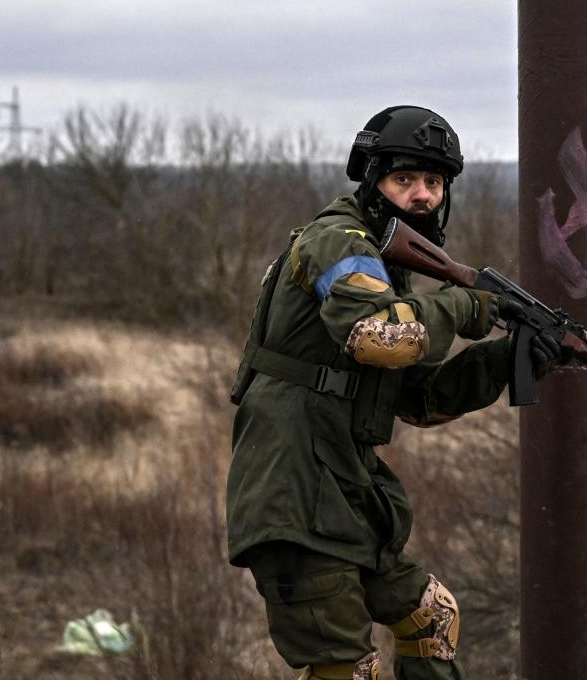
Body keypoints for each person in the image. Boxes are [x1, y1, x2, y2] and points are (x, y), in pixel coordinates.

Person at [226, 105, 564, 680]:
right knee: (346, 667)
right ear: (372, 181)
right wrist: (468, 306)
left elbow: (418, 398)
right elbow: (379, 337)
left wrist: (508, 358)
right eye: (404, 180)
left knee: (432, 619)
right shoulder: (338, 241)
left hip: (344, 491)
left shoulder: (387, 270)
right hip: (293, 495)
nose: (422, 195)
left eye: (433, 183)